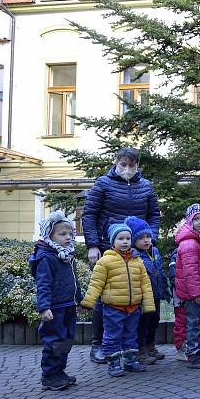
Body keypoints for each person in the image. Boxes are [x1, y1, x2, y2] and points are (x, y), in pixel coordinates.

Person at [82, 147, 160, 364]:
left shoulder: (145, 186)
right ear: (116, 163)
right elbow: (89, 215)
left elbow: (153, 214)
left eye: (131, 165)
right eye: (123, 164)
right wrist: (92, 245)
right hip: (108, 248)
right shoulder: (103, 184)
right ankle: (98, 345)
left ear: (137, 166)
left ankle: (134, 347)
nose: (127, 169)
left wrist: (150, 238)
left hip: (137, 250)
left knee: (136, 295)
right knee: (103, 297)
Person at [80, 223, 156, 377]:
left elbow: (145, 284)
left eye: (128, 238)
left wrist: (148, 304)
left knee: (131, 335)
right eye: (121, 238)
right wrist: (88, 302)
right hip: (113, 308)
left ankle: (130, 360)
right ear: (113, 241)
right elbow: (96, 284)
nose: (125, 242)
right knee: (112, 336)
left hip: (134, 307)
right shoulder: (105, 261)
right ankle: (114, 362)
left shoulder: (137, 261)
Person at [30, 210, 82, 390]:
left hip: (68, 305)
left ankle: (60, 371)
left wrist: (79, 299)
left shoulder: (67, 255)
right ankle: (49, 375)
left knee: (66, 340)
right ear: (49, 235)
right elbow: (43, 284)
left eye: (70, 233)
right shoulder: (45, 258)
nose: (68, 237)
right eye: (62, 234)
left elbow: (75, 280)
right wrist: (44, 308)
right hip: (54, 308)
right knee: (54, 341)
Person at [174, 203, 200, 369]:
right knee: (193, 323)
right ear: (189, 222)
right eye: (196, 219)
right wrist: (197, 294)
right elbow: (190, 272)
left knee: (198, 322)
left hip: (196, 292)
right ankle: (192, 354)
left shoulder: (199, 240)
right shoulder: (190, 244)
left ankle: (197, 350)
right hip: (192, 294)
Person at [124, 216, 169, 366]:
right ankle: (140, 351)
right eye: (141, 237)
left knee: (154, 322)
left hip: (155, 295)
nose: (146, 240)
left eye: (148, 236)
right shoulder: (134, 255)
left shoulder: (154, 251)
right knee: (142, 324)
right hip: (143, 297)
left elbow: (160, 271)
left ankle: (151, 347)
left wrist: (165, 289)